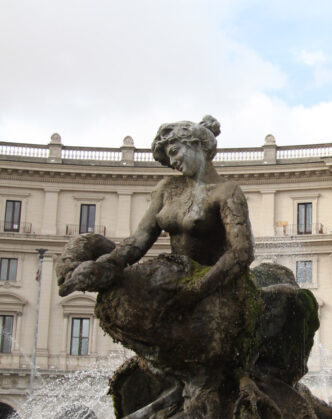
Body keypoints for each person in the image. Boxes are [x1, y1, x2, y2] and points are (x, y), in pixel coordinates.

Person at [58, 116, 253, 298]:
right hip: (177, 277)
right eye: (169, 159)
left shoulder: (227, 191)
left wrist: (198, 287)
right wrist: (108, 265)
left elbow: (241, 252)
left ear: (196, 144)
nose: (173, 162)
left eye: (175, 152)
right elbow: (140, 238)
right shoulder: (167, 188)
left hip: (213, 284)